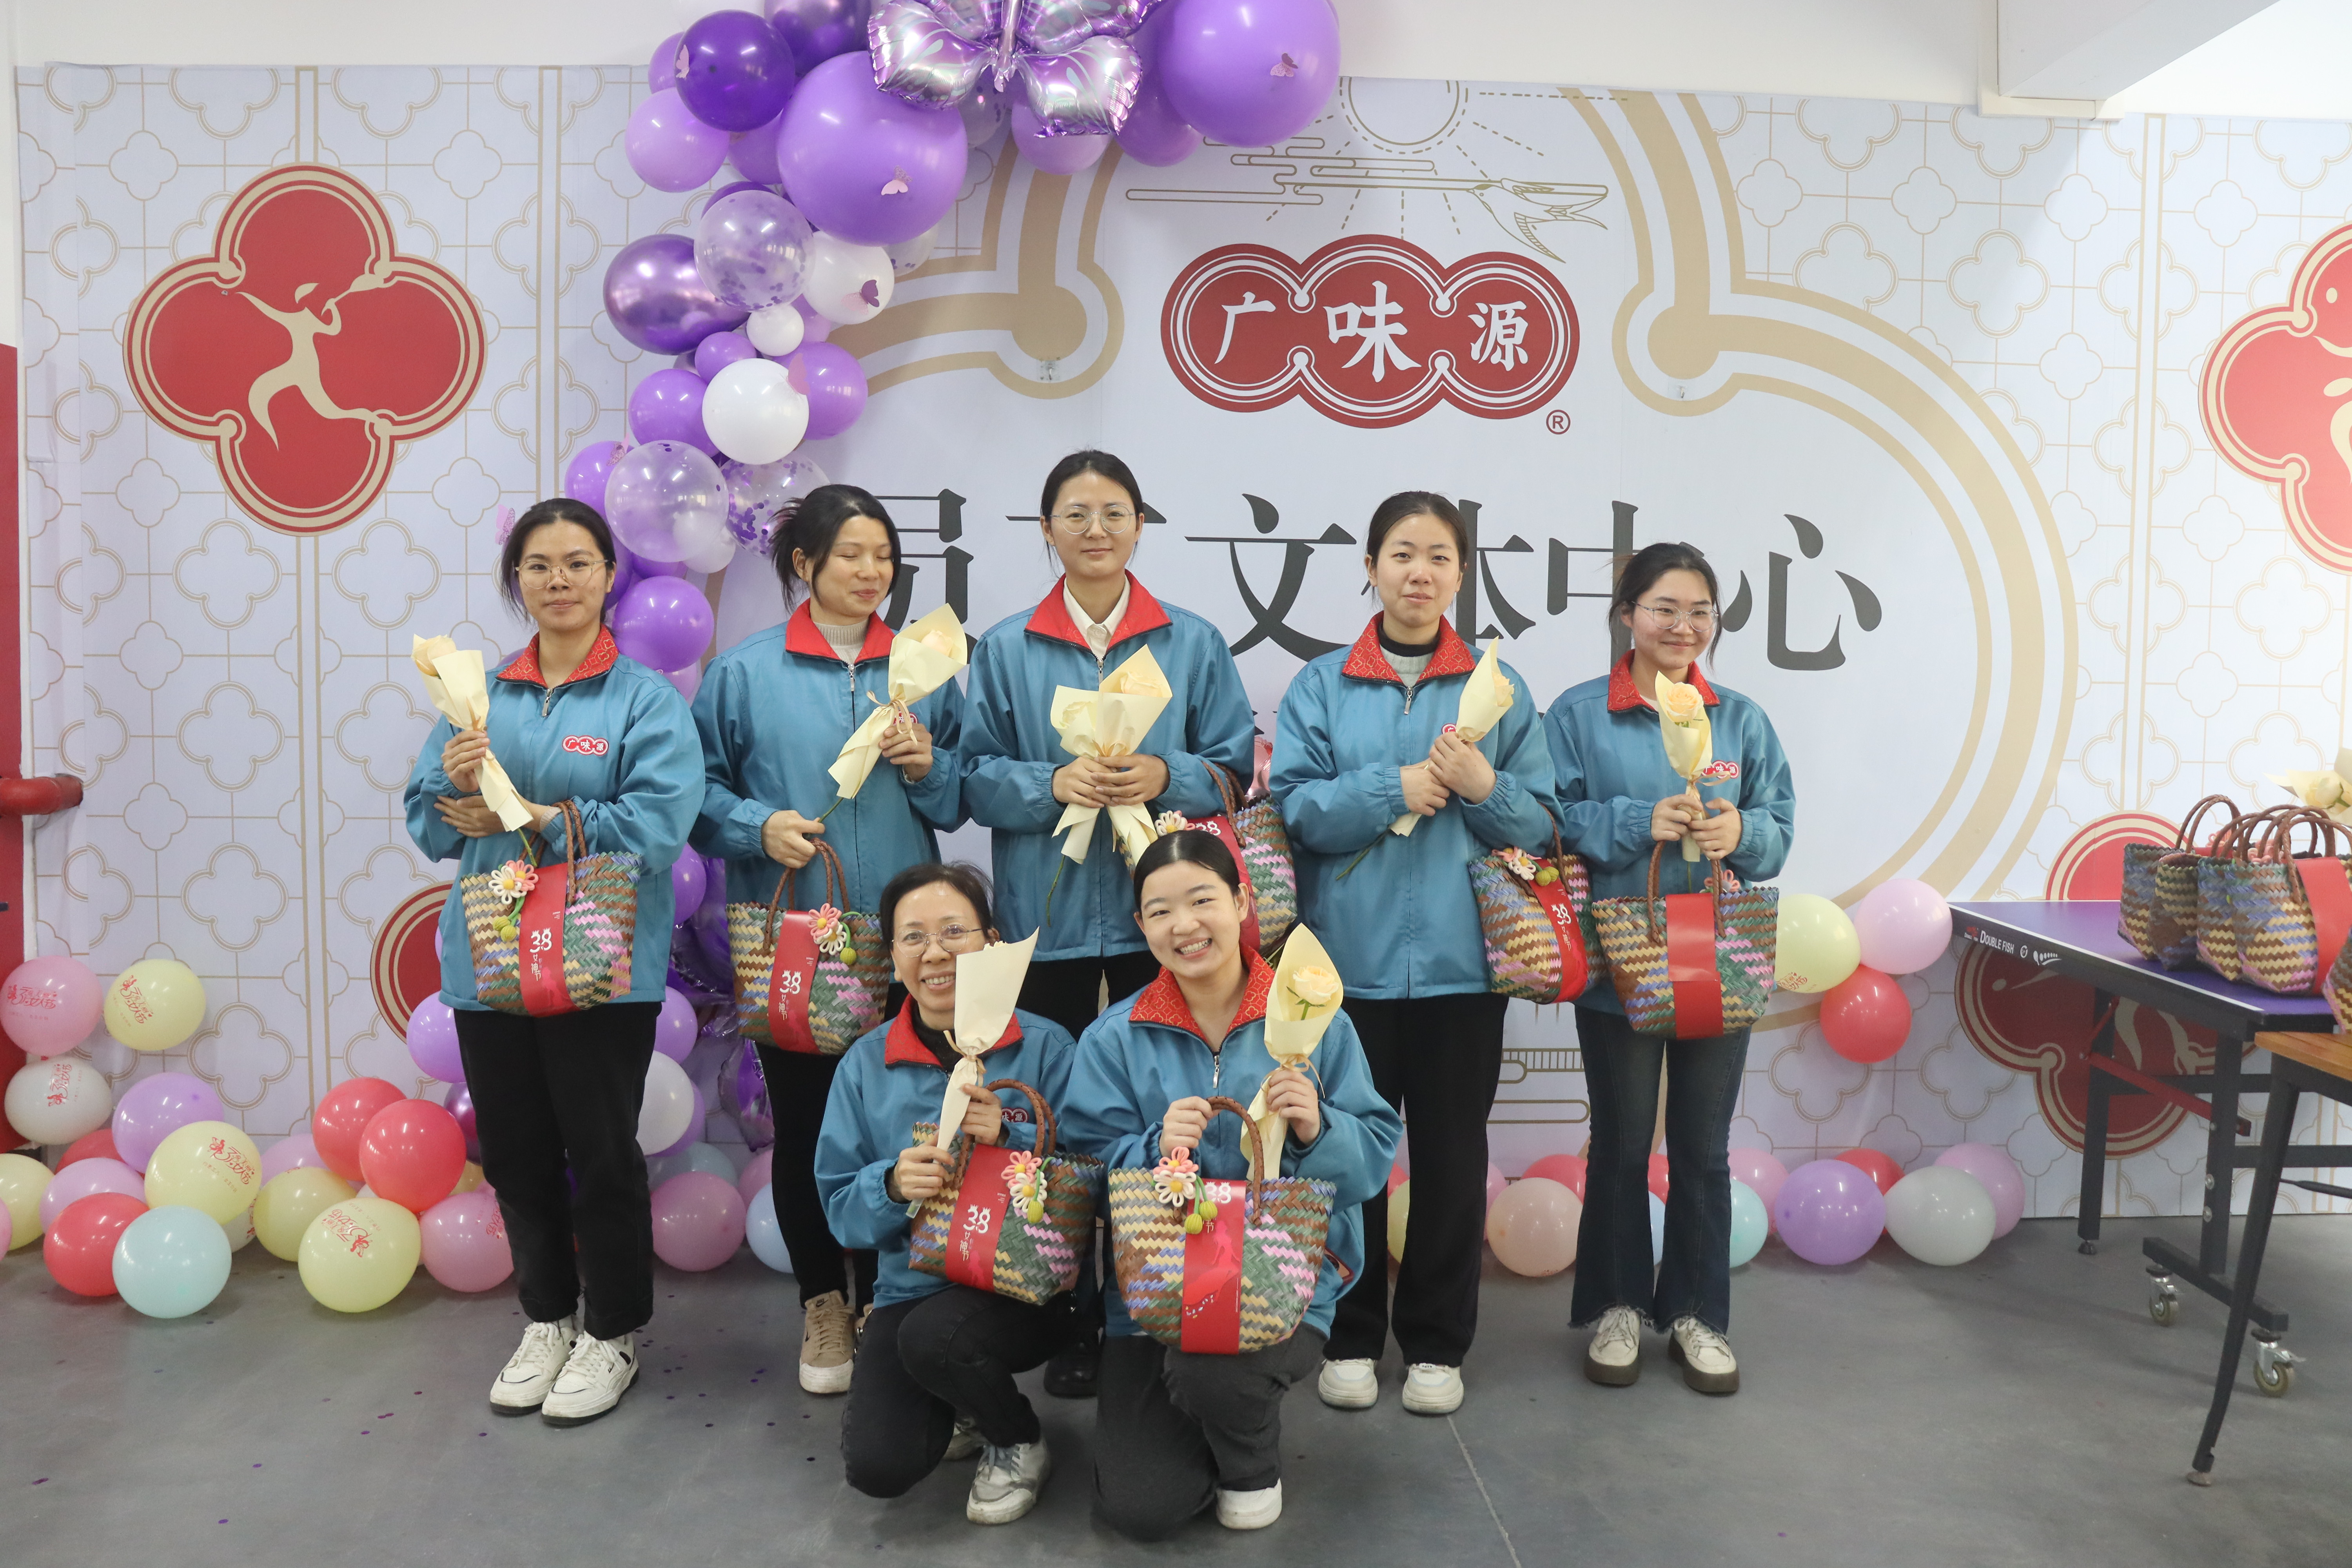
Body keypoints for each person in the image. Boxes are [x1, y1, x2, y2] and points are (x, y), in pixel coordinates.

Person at [962, 449, 1256, 1396]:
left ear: (1139, 524)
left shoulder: (1191, 641)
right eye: (1076, 513)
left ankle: (1148, 1302)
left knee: (1150, 1124)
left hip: (1160, 926)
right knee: (1048, 1123)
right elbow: (971, 778)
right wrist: (1051, 782)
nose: (1096, 529)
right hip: (1041, 919)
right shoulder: (1006, 647)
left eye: (1115, 511)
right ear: (1047, 528)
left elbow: (1235, 769)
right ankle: (1066, 1310)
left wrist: (1165, 774)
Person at [403, 497, 701, 1426]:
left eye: (578, 562)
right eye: (539, 565)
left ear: (610, 575)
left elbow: (659, 825)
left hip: (601, 960)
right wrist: (455, 781)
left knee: (601, 1152)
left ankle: (612, 1330)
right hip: (492, 955)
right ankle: (546, 1318)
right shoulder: (479, 693)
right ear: (516, 581)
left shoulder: (644, 699)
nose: (559, 580)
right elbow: (425, 823)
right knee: (516, 1151)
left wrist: (539, 818)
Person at [1268, 490, 1557, 1418]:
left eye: (1438, 556)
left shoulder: (1500, 690)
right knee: (1342, 1153)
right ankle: (1349, 1333)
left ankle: (1436, 1342)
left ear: (1462, 572)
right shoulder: (1321, 685)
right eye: (1402, 553)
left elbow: (1541, 824)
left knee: (1450, 1159)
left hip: (1462, 968)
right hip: (1338, 970)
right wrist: (1390, 787)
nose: (1419, 572)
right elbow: (1296, 809)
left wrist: (1483, 784)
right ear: (1370, 567)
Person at [691, 485, 965, 1395]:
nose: (871, 570)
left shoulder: (923, 668)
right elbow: (695, 795)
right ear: (804, 564)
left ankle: (892, 1296)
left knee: (908, 1121)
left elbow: (959, 794)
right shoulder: (744, 673)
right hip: (796, 938)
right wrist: (756, 824)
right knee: (808, 1125)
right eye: (851, 553)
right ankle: (822, 1300)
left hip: (911, 943)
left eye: (883, 555)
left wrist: (929, 767)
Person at [1060, 831, 1399, 1537]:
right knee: (1141, 1508)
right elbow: (1083, 1176)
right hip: (1154, 1292)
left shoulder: (1316, 1021)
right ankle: (1207, 1412)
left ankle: (1249, 1461)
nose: (1184, 925)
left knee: (1212, 1374)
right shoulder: (1113, 1037)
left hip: (1284, 1279)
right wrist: (1153, 1148)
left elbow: (1371, 1163)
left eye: (1202, 900)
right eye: (1160, 911)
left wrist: (1317, 1131)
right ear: (1141, 925)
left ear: (1242, 902)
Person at [1545, 541, 1794, 1395]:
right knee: (1620, 1143)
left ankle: (1697, 1313)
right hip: (1622, 953)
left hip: (1716, 951)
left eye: (1699, 611)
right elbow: (1549, 817)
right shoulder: (1580, 714)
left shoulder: (1743, 719)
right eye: (1663, 608)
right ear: (1627, 615)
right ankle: (1617, 1304)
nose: (1682, 626)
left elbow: (1777, 829)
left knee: (1703, 1148)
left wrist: (1742, 833)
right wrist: (1633, 819)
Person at [815, 862, 1079, 1525]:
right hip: (913, 1289)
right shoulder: (865, 1063)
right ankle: (962, 1395)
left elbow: (1092, 1174)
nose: (934, 952)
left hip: (1025, 1288)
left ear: (991, 941)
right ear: (892, 955)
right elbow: (840, 1209)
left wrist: (1014, 1140)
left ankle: (1018, 1438)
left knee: (938, 1339)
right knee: (879, 1467)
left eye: (953, 931)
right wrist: (890, 1185)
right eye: (913, 937)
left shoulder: (1046, 1046)